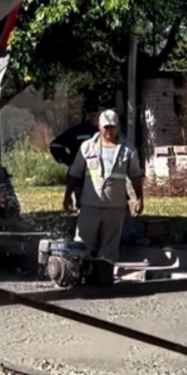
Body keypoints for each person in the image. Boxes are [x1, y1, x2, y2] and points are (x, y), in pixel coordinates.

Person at [63, 109, 144, 263]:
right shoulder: (87, 147)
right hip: (90, 205)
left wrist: (139, 198)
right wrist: (68, 197)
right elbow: (75, 174)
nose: (109, 131)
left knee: (110, 248)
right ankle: (81, 274)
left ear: (118, 127)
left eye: (112, 127)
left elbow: (135, 176)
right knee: (83, 244)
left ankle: (105, 277)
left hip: (115, 207)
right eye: (106, 127)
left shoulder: (128, 150)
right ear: (99, 127)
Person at [50, 103, 101, 207]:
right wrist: (69, 160)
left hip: (100, 174)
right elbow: (55, 145)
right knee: (83, 205)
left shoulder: (105, 133)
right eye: (89, 111)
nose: (93, 114)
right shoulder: (78, 131)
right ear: (85, 113)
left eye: (95, 111)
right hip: (80, 175)